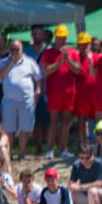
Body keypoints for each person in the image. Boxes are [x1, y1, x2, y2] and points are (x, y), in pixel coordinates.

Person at [0, 40, 43, 159]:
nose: (15, 52)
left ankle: (21, 153)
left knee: (25, 128)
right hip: (8, 101)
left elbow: (38, 78)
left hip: (26, 100)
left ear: (22, 50)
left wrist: (37, 91)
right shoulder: (3, 62)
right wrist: (8, 62)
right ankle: (9, 153)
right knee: (8, 129)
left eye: (17, 49)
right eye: (12, 49)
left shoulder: (30, 62)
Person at [40, 24, 80, 160]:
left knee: (66, 121)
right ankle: (50, 149)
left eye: (63, 38)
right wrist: (60, 61)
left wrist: (67, 59)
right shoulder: (48, 52)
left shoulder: (73, 52)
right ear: (55, 38)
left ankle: (63, 149)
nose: (61, 41)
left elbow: (77, 70)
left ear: (66, 38)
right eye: (59, 38)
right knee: (53, 120)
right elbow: (46, 71)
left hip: (69, 91)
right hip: (54, 91)